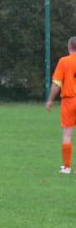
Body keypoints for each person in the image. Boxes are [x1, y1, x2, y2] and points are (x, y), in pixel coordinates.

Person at [46, 36, 76, 174]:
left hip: (69, 101)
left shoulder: (64, 61)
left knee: (68, 134)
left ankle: (67, 167)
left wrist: (50, 100)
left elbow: (57, 83)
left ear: (69, 47)